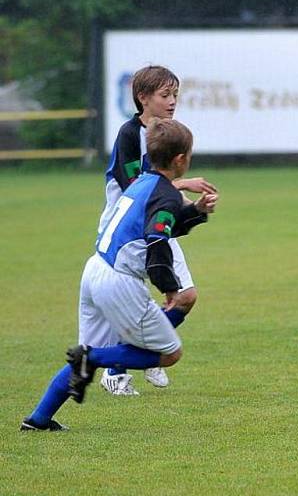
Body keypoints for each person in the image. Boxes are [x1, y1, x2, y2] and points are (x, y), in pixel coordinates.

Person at [21, 118, 217, 431]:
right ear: (181, 159)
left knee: (89, 353)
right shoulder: (164, 194)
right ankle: (95, 359)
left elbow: (159, 225)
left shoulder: (144, 181)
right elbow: (156, 239)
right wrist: (168, 287)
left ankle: (39, 419)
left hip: (95, 269)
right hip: (119, 281)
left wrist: (196, 211)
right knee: (169, 353)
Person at [98, 65, 217, 395]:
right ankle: (114, 368)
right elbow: (133, 188)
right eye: (165, 95)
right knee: (134, 304)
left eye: (175, 94)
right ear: (142, 98)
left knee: (186, 296)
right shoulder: (128, 134)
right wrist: (182, 184)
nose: (172, 101)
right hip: (126, 234)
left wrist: (191, 208)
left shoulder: (167, 134)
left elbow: (160, 193)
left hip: (157, 226)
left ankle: (147, 356)